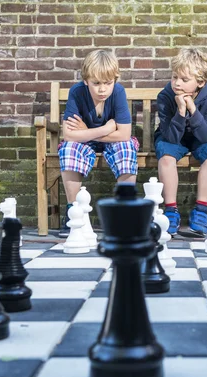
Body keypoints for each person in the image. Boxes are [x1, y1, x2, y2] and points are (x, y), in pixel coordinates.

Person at [58, 50, 138, 237]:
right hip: (89, 141)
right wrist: (103, 130)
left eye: (108, 83)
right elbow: (69, 134)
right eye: (96, 83)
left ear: (115, 81)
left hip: (111, 142)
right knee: (69, 150)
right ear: (86, 81)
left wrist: (85, 132)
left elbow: (124, 134)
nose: (102, 89)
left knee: (126, 149)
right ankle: (73, 211)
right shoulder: (77, 92)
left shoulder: (118, 92)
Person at [154, 48, 207, 238]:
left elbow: (205, 136)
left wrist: (193, 110)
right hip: (172, 135)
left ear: (200, 82)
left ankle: (201, 211)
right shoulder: (165, 96)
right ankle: (170, 211)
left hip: (199, 136)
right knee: (166, 155)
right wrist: (180, 111)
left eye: (184, 80)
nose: (177, 83)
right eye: (174, 77)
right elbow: (170, 137)